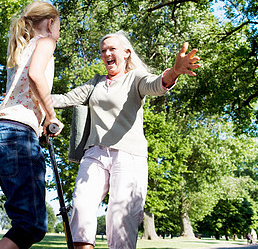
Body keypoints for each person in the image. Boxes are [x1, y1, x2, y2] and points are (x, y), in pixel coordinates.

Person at [52, 31, 201, 249]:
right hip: (94, 153)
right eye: (103, 51)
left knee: (120, 216)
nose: (107, 54)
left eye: (112, 49)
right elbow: (63, 99)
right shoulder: (95, 84)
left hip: (128, 155)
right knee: (81, 206)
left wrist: (175, 71)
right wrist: (26, 96)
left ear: (126, 53)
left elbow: (156, 84)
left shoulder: (135, 78)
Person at [0, 1, 64, 249]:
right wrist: (51, 116)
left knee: (28, 222)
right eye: (59, 25)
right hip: (17, 134)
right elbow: (35, 76)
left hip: (2, 132)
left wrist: (39, 120)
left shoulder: (21, 49)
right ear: (50, 23)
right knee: (29, 223)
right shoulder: (45, 42)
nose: (59, 32)